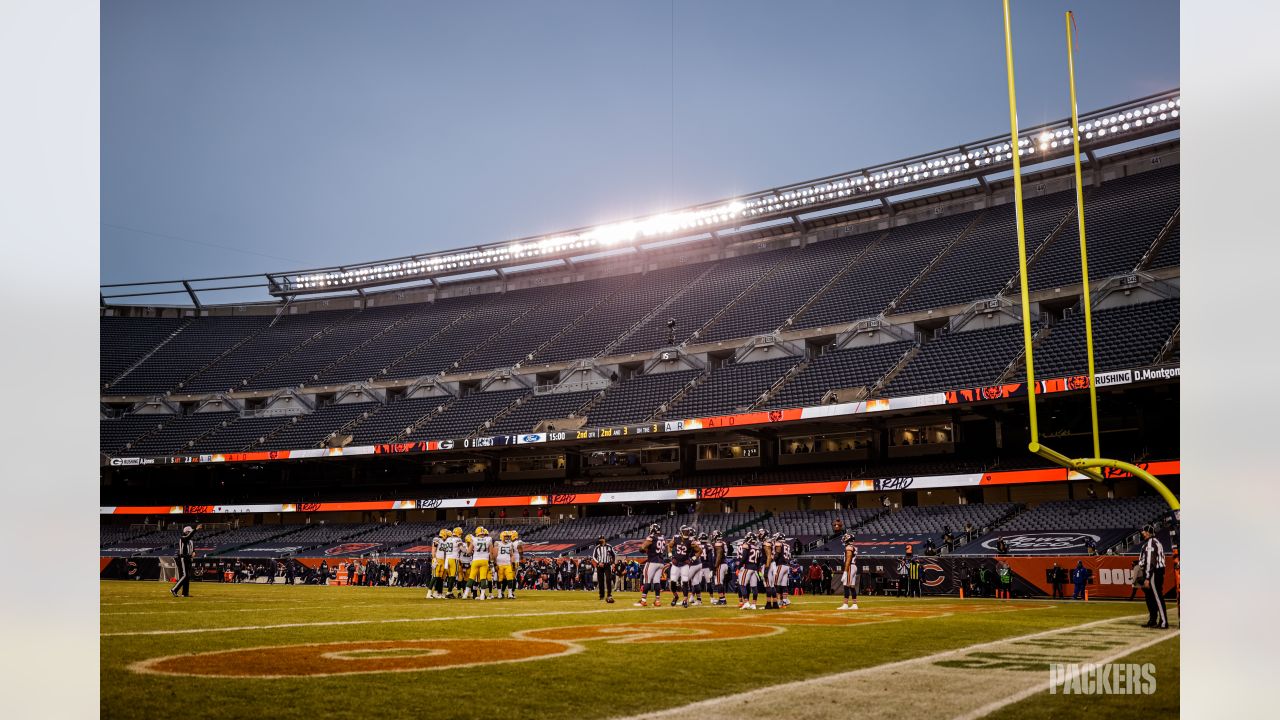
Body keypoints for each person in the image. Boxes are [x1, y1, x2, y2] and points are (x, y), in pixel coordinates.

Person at [1138, 524, 1169, 629]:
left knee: (1157, 597)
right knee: (1150, 597)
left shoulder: (1151, 543)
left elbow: (1150, 561)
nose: (1143, 533)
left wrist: (1147, 577)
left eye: (1144, 532)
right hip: (1153, 572)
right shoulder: (1153, 542)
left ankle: (1163, 622)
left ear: (1148, 532)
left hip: (1153, 572)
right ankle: (1153, 620)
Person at [635, 523, 667, 607]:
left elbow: (642, 547)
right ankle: (657, 601)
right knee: (657, 581)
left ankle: (643, 600)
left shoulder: (652, 537)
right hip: (661, 562)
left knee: (647, 581)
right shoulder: (663, 537)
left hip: (652, 561)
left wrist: (643, 549)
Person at [170, 525, 196, 598]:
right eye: (189, 532)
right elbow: (188, 537)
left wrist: (194, 552)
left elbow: (193, 549)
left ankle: (185, 593)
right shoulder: (183, 538)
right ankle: (174, 589)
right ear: (186, 532)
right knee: (184, 575)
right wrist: (196, 529)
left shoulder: (191, 541)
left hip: (189, 558)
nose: (190, 533)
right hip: (183, 558)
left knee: (187, 576)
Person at [590, 536, 617, 602]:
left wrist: (612, 562)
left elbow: (614, 555)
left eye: (601, 539)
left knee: (608, 579)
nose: (600, 540)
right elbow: (594, 556)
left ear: (604, 539)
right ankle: (601, 595)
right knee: (600, 580)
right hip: (600, 566)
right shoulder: (597, 547)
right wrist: (599, 563)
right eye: (599, 539)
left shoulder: (609, 546)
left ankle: (609, 594)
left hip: (607, 564)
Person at [838, 533, 859, 610]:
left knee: (846, 586)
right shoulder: (853, 547)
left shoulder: (848, 547)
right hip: (853, 566)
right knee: (852, 586)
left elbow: (848, 559)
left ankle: (845, 604)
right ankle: (854, 604)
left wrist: (845, 572)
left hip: (850, 566)